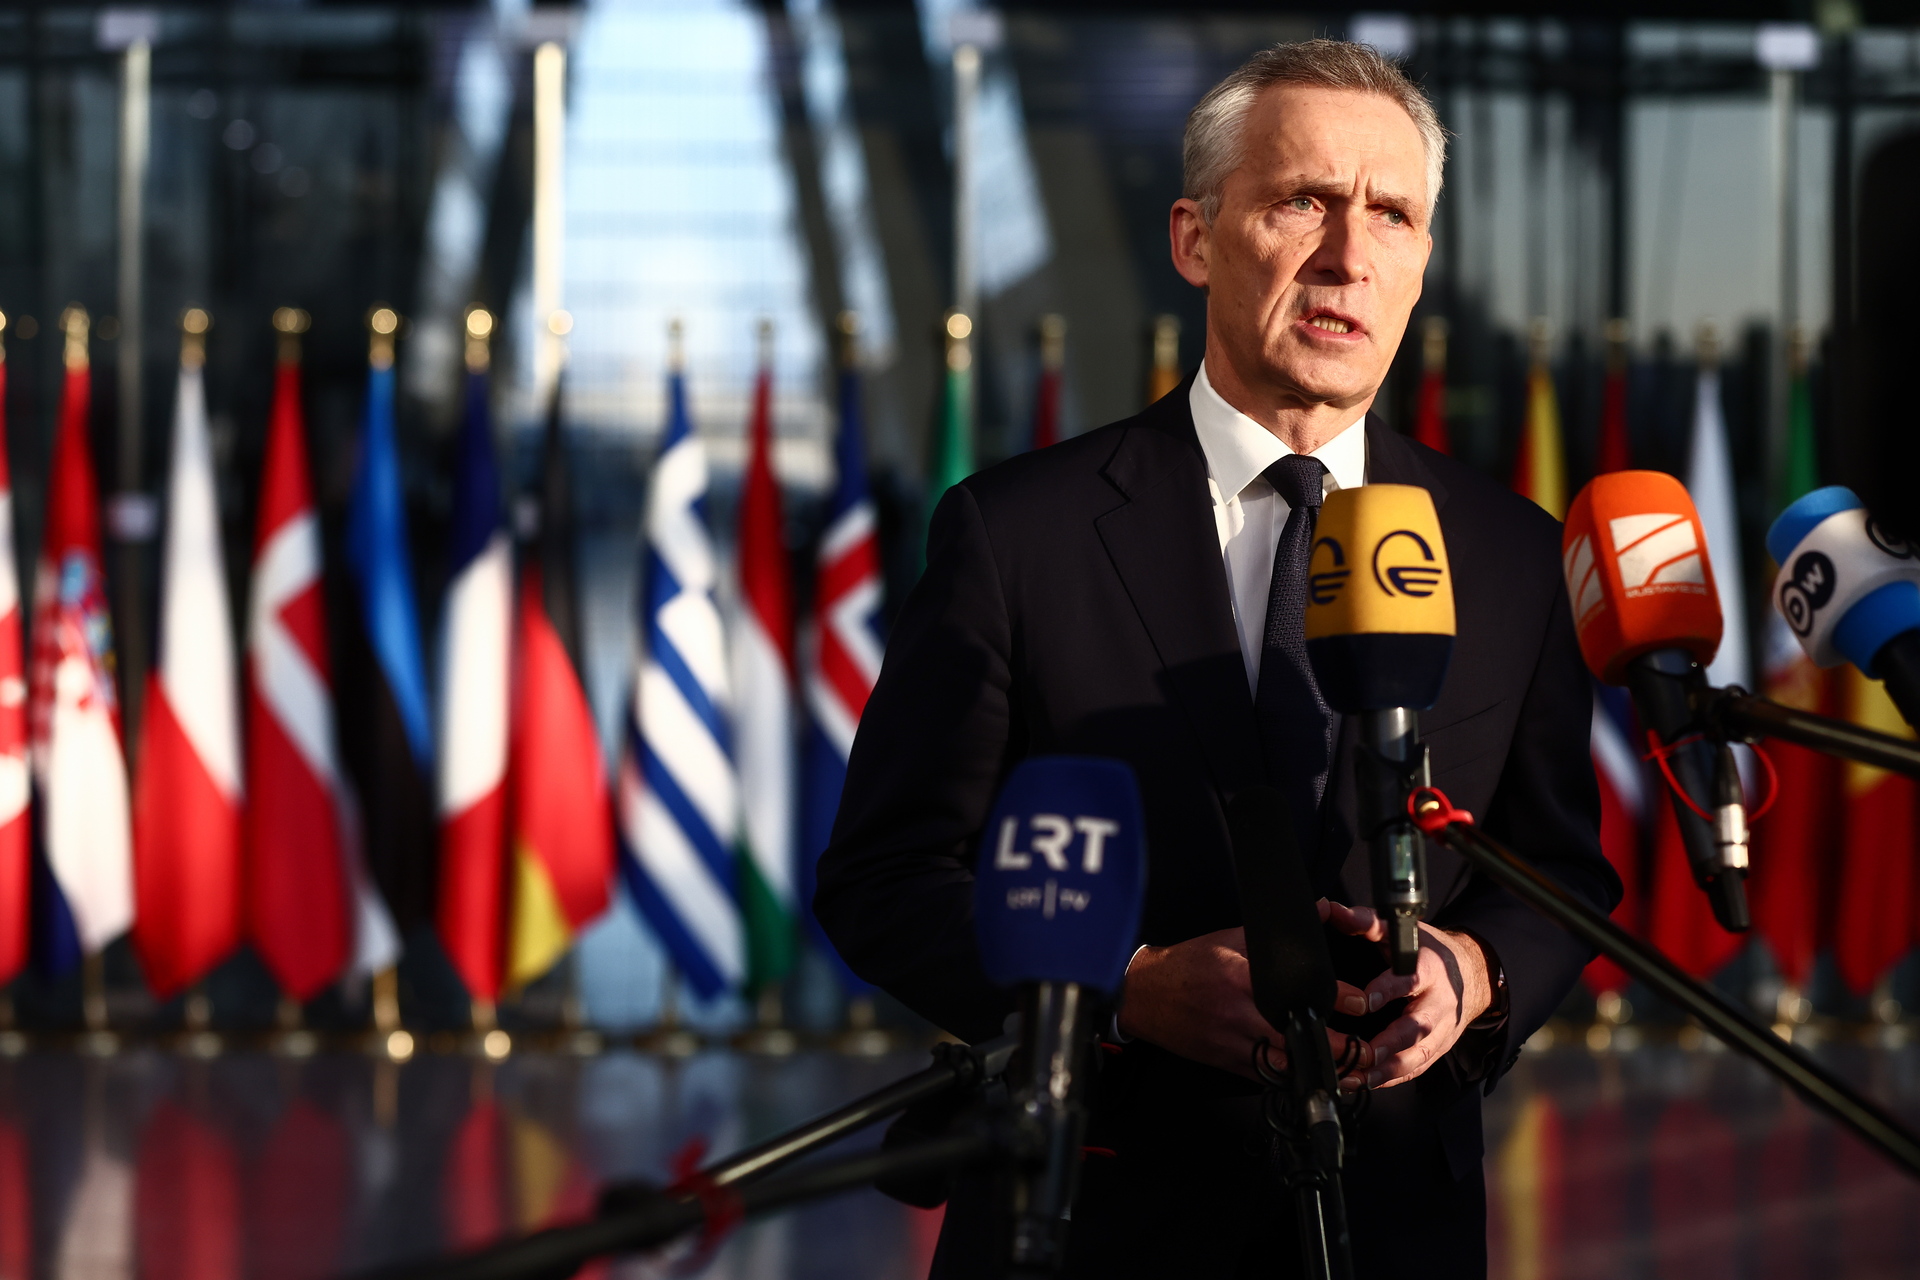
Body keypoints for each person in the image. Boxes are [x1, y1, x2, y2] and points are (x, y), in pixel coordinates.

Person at [815, 39, 1617, 1278]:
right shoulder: (1015, 535)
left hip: (1396, 1224)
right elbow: (886, 875)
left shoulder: (1511, 553)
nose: (1348, 255)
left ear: (1421, 262)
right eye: (1304, 201)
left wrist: (1474, 972)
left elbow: (1555, 869)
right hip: (1092, 1224)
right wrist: (1123, 986)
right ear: (1195, 239)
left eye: (1392, 215)